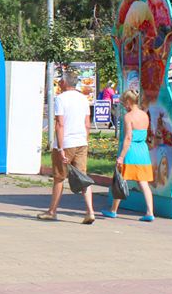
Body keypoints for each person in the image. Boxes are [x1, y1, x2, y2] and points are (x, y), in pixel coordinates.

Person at [39, 71, 94, 224]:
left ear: (64, 82)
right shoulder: (83, 99)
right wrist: (85, 141)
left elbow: (60, 124)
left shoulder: (61, 99)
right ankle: (90, 211)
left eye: (60, 81)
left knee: (59, 178)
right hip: (81, 142)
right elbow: (87, 124)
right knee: (83, 177)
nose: (59, 83)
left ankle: (52, 211)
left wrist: (61, 148)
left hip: (66, 143)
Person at [104, 90, 155, 222]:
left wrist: (121, 156)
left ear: (128, 102)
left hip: (131, 151)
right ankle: (150, 212)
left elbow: (128, 138)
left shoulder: (128, 116)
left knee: (121, 180)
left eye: (123, 103)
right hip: (143, 150)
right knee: (143, 183)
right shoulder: (144, 115)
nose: (123, 105)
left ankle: (113, 210)